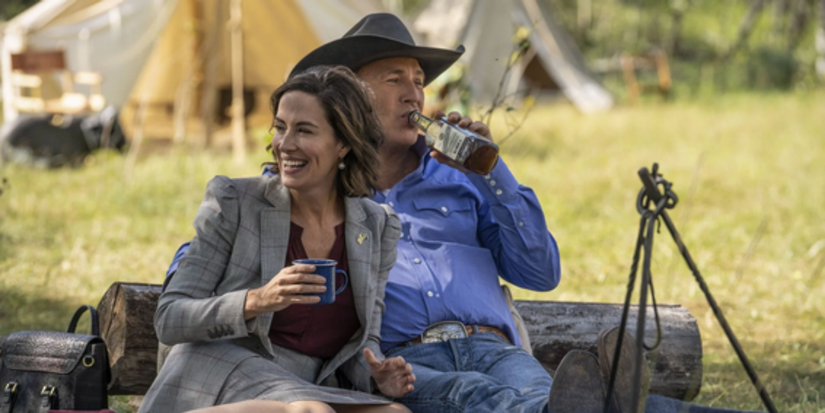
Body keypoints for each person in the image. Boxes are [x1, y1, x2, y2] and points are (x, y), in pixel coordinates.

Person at [166, 13, 763, 413]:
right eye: (394, 78)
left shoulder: (465, 178)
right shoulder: (315, 186)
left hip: (498, 346)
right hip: (408, 362)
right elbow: (210, 260)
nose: (415, 94)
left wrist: (494, 171)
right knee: (500, 397)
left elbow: (541, 271)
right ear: (348, 93)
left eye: (419, 81)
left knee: (527, 391)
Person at [141, 66, 414, 413]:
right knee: (310, 412)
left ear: (343, 143)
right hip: (221, 366)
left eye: (304, 130)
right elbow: (169, 318)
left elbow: (364, 342)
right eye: (280, 128)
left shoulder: (377, 226)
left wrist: (377, 375)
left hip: (305, 384)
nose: (284, 144)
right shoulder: (235, 201)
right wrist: (257, 300)